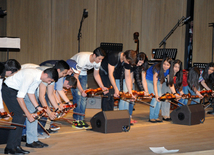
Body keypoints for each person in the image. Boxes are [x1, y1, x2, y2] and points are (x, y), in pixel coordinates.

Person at [2, 67, 58, 154]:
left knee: (20, 117)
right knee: (19, 117)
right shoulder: (30, 76)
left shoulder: (39, 77)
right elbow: (20, 98)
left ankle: (16, 146)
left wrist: (38, 107)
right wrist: (28, 115)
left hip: (15, 90)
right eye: (49, 80)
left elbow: (30, 92)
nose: (49, 82)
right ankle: (10, 148)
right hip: (8, 90)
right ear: (46, 75)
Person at [70, 47, 107, 129]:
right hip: (73, 72)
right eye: (99, 59)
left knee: (84, 97)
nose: (100, 61)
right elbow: (76, 77)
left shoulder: (98, 61)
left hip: (83, 73)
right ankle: (76, 120)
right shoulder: (83, 58)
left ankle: (81, 119)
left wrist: (102, 87)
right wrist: (81, 90)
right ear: (94, 55)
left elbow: (96, 75)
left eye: (102, 59)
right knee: (78, 95)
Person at [120, 52, 148, 124]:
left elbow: (143, 80)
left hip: (130, 79)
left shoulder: (142, 66)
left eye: (142, 62)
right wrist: (131, 89)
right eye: (139, 62)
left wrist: (146, 91)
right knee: (126, 98)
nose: (140, 64)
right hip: (124, 79)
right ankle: (123, 118)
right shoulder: (131, 63)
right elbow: (130, 76)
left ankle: (129, 116)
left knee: (132, 100)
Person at [146, 57, 177, 123]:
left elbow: (170, 83)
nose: (165, 66)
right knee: (155, 98)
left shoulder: (169, 71)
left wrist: (175, 93)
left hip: (157, 81)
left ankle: (156, 116)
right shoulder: (157, 68)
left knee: (160, 98)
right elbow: (154, 84)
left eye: (167, 65)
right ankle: (151, 117)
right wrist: (156, 95)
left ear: (170, 66)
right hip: (149, 80)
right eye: (164, 64)